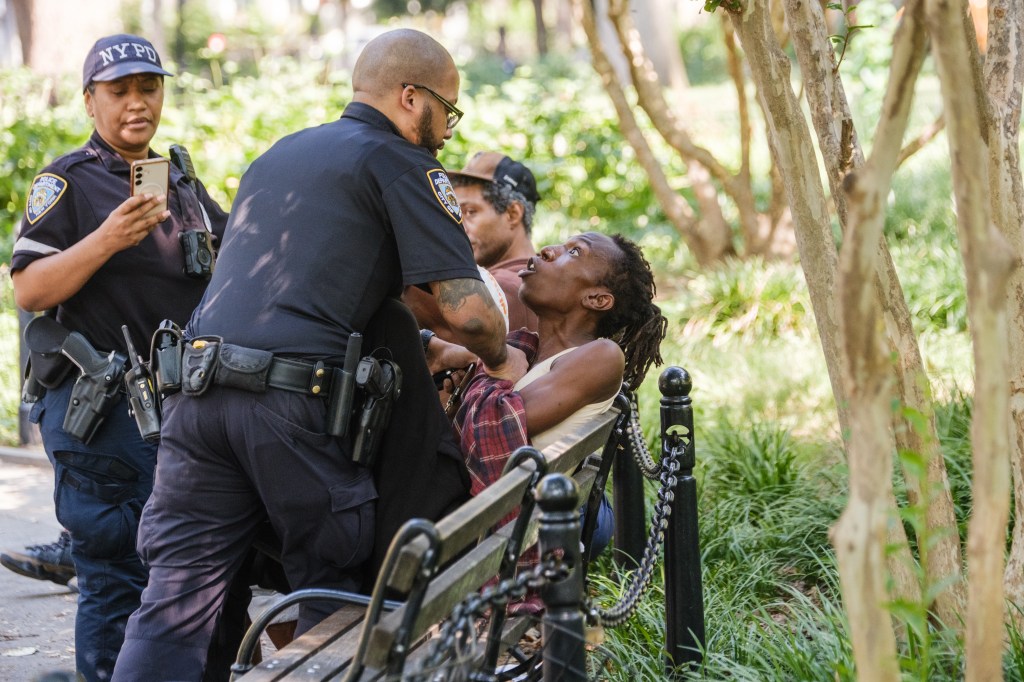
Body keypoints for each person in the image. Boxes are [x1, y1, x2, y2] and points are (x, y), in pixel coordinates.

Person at [112, 28, 525, 681]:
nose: (449, 131)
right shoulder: (400, 159)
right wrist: (493, 342)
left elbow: (314, 283)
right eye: (450, 110)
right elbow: (472, 316)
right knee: (331, 604)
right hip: (289, 410)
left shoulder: (280, 154)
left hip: (193, 399)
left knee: (173, 609)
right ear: (412, 98)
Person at [8, 34, 228, 682]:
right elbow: (29, 286)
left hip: (175, 413)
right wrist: (106, 240)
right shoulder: (67, 181)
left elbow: (233, 258)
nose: (137, 103)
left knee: (175, 572)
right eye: (119, 90)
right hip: (102, 415)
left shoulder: (180, 180)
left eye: (149, 87)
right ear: (90, 101)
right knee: (111, 575)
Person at [454, 232, 667, 589]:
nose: (547, 251)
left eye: (573, 252)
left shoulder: (600, 356)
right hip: (474, 520)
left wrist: (492, 366)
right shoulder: (526, 349)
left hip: (489, 536)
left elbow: (498, 422)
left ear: (597, 299)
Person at [449, 151, 540, 332]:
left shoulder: (504, 287)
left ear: (513, 214)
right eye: (455, 213)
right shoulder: (544, 280)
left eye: (470, 212)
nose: (458, 226)